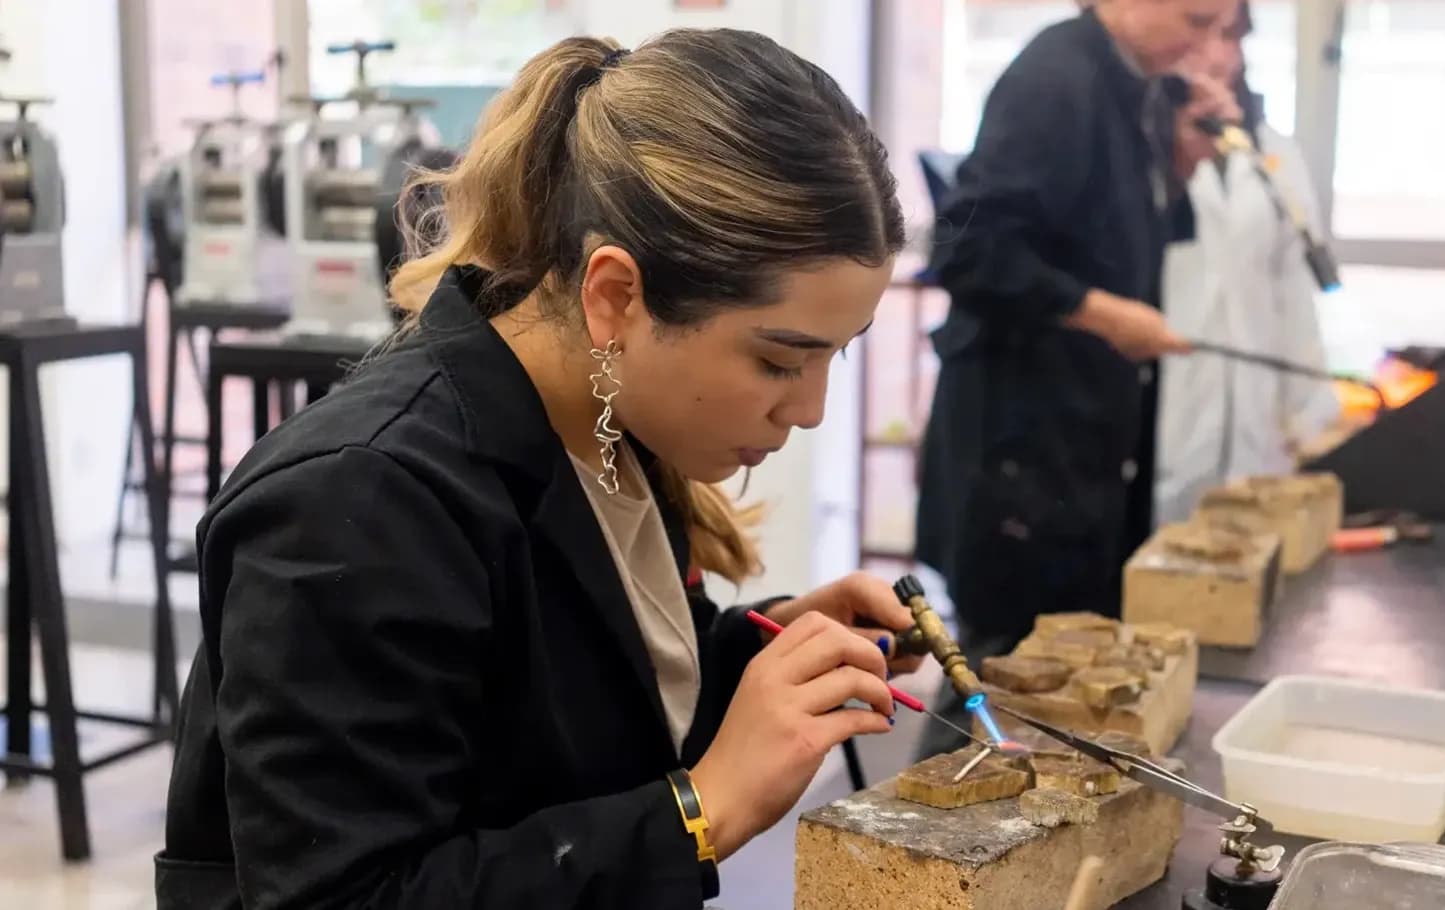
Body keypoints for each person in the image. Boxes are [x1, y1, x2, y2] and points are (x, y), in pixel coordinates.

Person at [157, 30, 912, 910]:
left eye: (837, 358)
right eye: (781, 361)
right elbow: (349, 896)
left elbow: (570, 703)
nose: (809, 407)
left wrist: (765, 648)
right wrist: (702, 812)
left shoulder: (605, 420)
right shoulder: (354, 504)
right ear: (614, 297)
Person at [913, 0, 1241, 757]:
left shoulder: (1135, 85)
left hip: (1082, 445)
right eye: (1195, 21)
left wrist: (1184, 163)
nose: (1206, 46)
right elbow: (967, 249)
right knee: (995, 684)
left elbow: (1106, 234)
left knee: (1057, 694)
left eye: (1220, 28)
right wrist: (1100, 314)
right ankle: (907, 862)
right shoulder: (1055, 76)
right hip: (1019, 448)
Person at [1156, 0, 1342, 522]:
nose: (1218, 55)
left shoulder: (1274, 155)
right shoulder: (1130, 150)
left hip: (1255, 435)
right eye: (1201, 31)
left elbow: (1293, 293)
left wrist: (1309, 418)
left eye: (1231, 36)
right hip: (1166, 422)